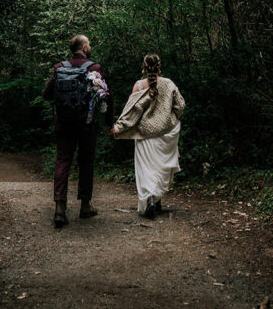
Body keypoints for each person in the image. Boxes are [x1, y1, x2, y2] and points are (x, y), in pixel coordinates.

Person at [42, 34, 114, 228]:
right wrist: (109, 122)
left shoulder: (59, 68)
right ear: (83, 47)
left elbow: (46, 94)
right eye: (88, 43)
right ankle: (84, 206)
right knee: (86, 161)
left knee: (63, 160)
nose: (90, 46)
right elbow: (105, 97)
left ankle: (59, 208)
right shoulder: (94, 68)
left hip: (64, 123)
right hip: (86, 124)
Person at [112, 53, 185, 218]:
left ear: (144, 67)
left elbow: (132, 113)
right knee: (160, 168)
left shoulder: (138, 86)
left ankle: (151, 201)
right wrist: (170, 119)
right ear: (160, 67)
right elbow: (180, 106)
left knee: (147, 169)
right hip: (165, 134)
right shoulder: (169, 84)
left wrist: (118, 127)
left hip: (145, 134)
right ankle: (156, 201)